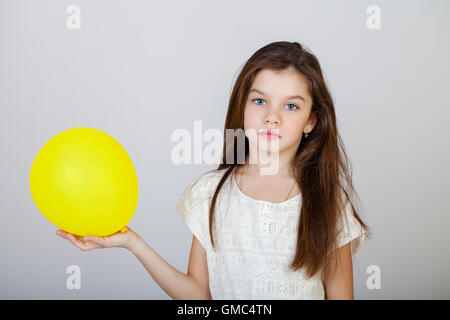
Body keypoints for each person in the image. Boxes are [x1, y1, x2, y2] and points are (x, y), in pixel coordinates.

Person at [57, 41, 371, 300]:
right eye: (260, 101)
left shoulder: (328, 202)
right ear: (243, 107)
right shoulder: (210, 194)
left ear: (310, 122)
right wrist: (131, 242)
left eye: (291, 106)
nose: (272, 117)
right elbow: (198, 295)